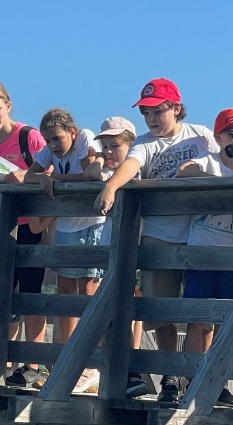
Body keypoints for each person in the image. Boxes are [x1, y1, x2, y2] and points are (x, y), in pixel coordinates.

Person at [94, 78, 220, 404]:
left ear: (176, 108)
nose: (151, 118)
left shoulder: (201, 135)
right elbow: (131, 164)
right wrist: (111, 186)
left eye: (157, 111)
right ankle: (170, 375)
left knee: (202, 314)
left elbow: (226, 165)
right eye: (146, 112)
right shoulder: (145, 143)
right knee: (161, 312)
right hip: (160, 235)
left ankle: (200, 377)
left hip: (202, 235)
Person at [176, 108, 233, 407]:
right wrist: (224, 186)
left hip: (232, 257)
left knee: (225, 321)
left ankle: (217, 381)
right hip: (203, 252)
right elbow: (184, 171)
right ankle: (194, 379)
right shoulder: (207, 160)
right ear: (217, 136)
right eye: (232, 133)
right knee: (199, 320)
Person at [0, 82, 48, 388]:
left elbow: (50, 168)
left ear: (9, 106)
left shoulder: (28, 136)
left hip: (31, 223)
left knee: (30, 292)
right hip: (2, 224)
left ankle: (33, 364)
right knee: (2, 292)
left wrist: (26, 175)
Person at [24, 108, 102, 393]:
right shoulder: (49, 151)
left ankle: (90, 364)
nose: (53, 145)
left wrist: (55, 179)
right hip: (67, 225)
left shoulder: (85, 139)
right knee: (65, 290)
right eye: (48, 140)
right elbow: (29, 176)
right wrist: (42, 178)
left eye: (57, 138)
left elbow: (92, 174)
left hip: (91, 223)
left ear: (72, 131)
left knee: (89, 292)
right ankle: (65, 360)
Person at [83, 117, 149, 397]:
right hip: (111, 251)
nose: (109, 152)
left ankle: (131, 370)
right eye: (105, 146)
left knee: (132, 309)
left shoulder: (140, 170)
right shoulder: (107, 174)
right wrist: (100, 158)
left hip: (135, 250)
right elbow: (90, 174)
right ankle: (115, 370)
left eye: (115, 146)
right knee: (113, 308)